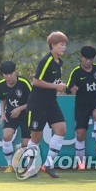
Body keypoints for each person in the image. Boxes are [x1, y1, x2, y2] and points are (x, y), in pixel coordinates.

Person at [26, 31, 68, 178]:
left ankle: (48, 164)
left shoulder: (59, 62)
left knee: (61, 130)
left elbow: (53, 82)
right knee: (36, 136)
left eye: (64, 44)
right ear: (52, 45)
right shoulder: (46, 61)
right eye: (61, 44)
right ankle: (30, 168)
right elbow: (36, 81)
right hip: (38, 103)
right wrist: (56, 87)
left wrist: (64, 86)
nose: (64, 47)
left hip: (51, 102)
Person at [0, 61, 32, 173]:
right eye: (5, 74)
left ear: (15, 72)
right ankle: (9, 165)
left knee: (25, 145)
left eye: (11, 74)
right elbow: (2, 100)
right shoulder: (1, 85)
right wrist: (2, 113)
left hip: (26, 114)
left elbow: (33, 101)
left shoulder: (24, 83)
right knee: (6, 136)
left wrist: (20, 108)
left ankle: (21, 152)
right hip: (11, 114)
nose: (8, 77)